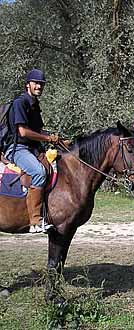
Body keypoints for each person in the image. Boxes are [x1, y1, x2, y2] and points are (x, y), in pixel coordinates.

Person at [4, 69, 59, 233]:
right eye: (36, 83)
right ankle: (35, 221)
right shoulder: (20, 103)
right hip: (17, 149)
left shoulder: (35, 104)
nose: (39, 86)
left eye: (41, 84)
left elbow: (39, 131)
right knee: (38, 172)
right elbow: (23, 132)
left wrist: (57, 139)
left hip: (32, 149)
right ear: (28, 84)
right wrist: (48, 139)